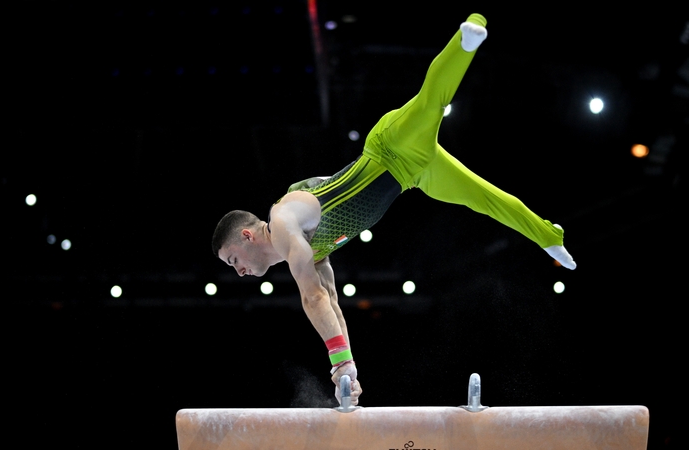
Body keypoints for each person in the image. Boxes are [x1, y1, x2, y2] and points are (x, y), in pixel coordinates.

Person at [211, 13, 576, 407]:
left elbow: (313, 298)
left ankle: (467, 37)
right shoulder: (304, 248)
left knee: (431, 101)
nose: (239, 271)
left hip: (389, 148)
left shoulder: (283, 223)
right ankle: (549, 235)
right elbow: (330, 300)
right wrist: (346, 371)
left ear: (248, 235)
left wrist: (339, 364)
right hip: (412, 176)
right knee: (485, 198)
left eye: (233, 259)